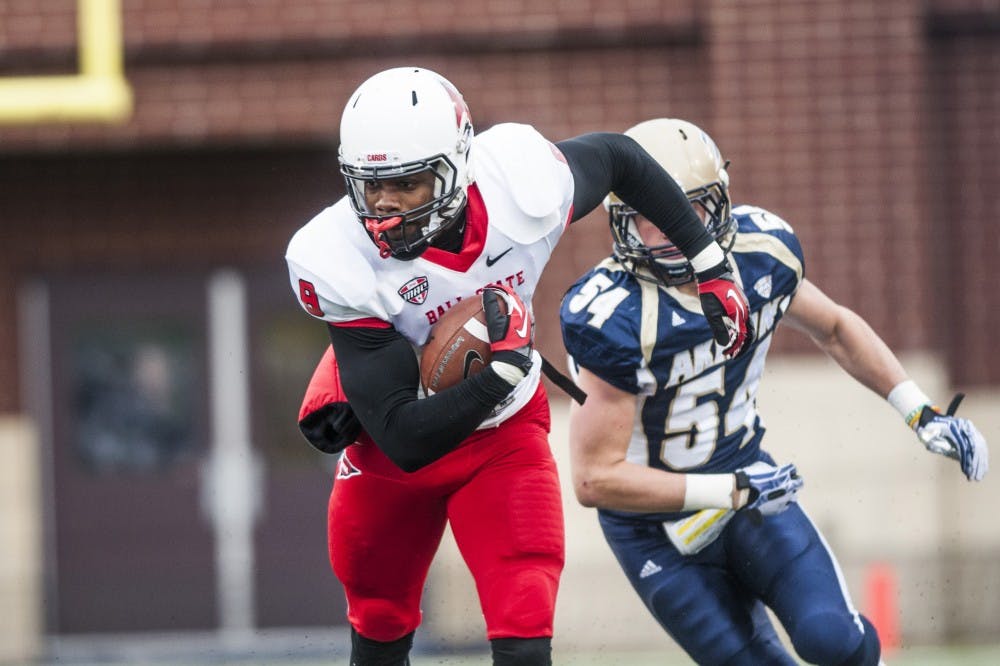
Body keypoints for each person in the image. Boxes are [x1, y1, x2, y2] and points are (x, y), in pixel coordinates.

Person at [284, 69, 755, 666]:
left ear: (457, 166)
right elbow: (403, 438)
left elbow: (620, 158)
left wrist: (707, 261)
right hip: (397, 445)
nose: (384, 206)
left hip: (503, 437)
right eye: (370, 186)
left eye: (407, 184)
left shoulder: (518, 184)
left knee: (525, 641)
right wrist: (498, 374)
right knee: (378, 629)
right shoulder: (336, 257)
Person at [560, 117, 989, 666]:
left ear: (716, 204)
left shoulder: (762, 253)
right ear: (620, 222)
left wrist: (919, 411)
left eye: (683, 211)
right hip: (657, 528)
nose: (663, 232)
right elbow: (596, 479)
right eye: (645, 217)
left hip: (750, 486)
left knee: (832, 640)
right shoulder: (613, 318)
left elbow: (834, 326)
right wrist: (729, 489)